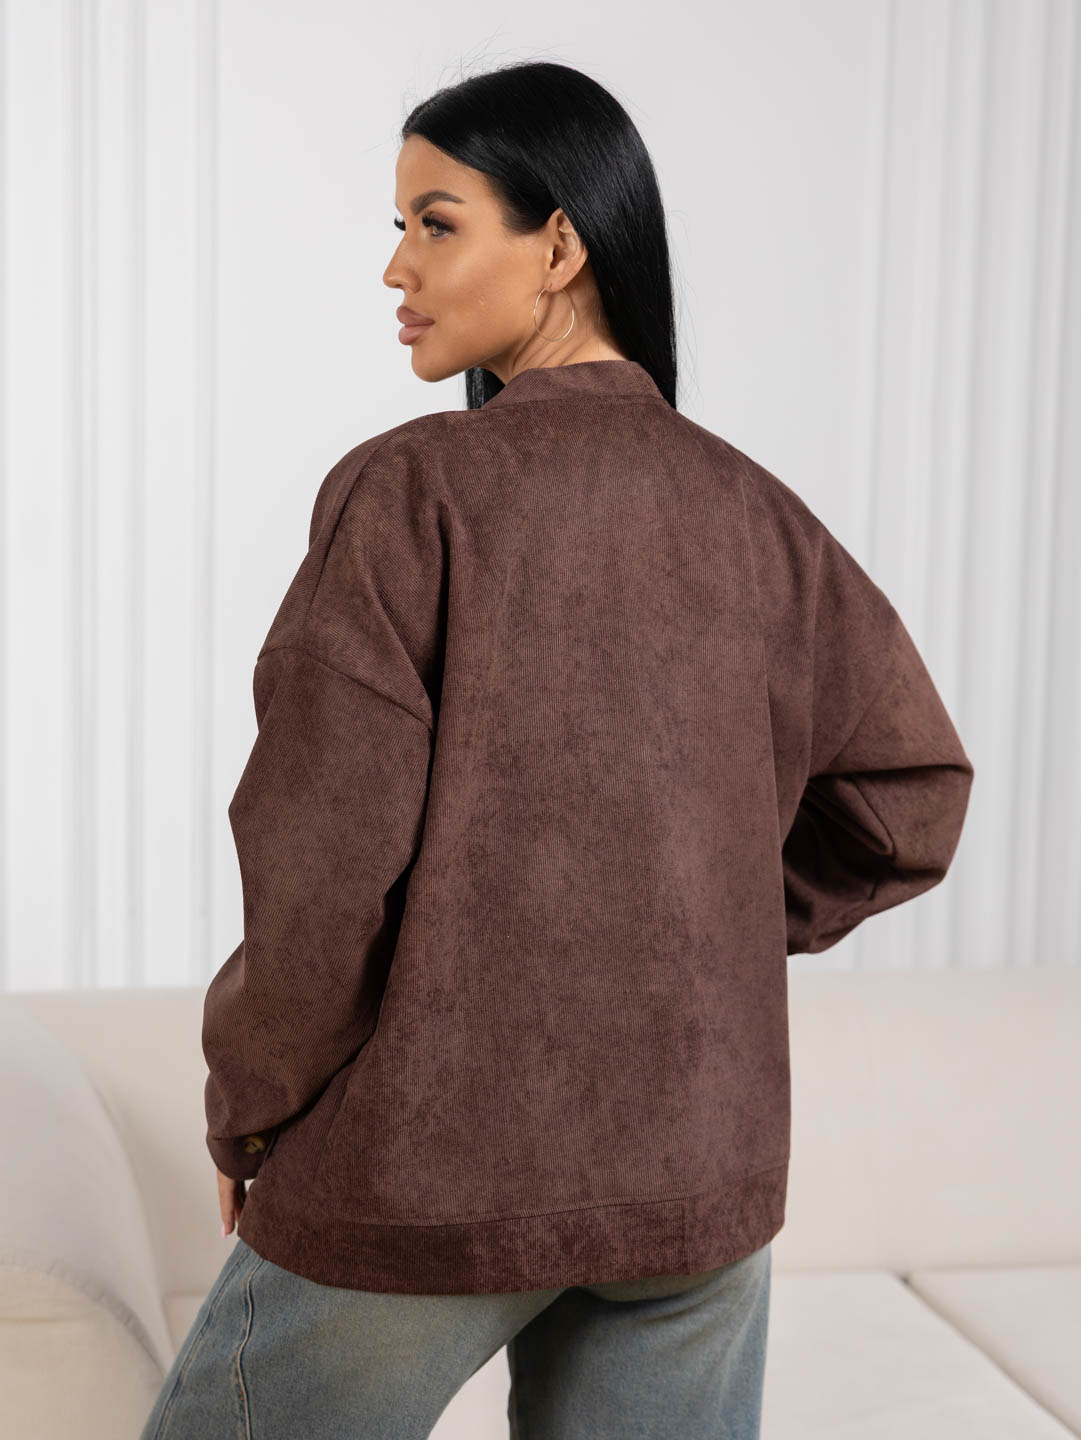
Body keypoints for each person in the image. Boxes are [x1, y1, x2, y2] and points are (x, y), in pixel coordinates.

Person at [140, 59, 973, 1440]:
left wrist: (251, 1110)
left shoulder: (412, 490)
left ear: (561, 243)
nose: (396, 267)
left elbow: (319, 867)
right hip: (693, 1178)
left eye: (436, 222)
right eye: (399, 227)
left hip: (429, 1170)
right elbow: (910, 798)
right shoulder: (754, 514)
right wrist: (680, 924)